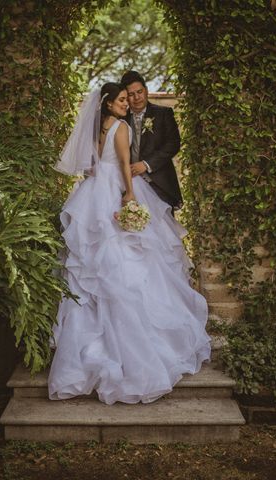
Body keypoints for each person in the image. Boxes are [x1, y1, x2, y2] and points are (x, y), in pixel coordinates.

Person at [48, 82, 210, 405]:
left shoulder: (99, 127)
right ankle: (133, 353)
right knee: (127, 263)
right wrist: (131, 196)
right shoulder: (121, 127)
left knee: (90, 265)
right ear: (108, 103)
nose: (126, 104)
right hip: (114, 191)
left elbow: (91, 165)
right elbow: (124, 165)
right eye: (121, 100)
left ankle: (85, 352)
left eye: (128, 99)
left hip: (92, 193)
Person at [121, 70, 183, 212]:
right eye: (131, 94)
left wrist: (146, 164)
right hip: (128, 185)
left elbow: (173, 144)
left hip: (159, 183)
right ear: (126, 96)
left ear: (146, 90)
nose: (137, 97)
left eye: (140, 91)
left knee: (164, 229)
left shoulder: (163, 113)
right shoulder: (121, 119)